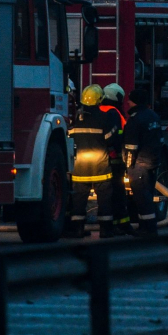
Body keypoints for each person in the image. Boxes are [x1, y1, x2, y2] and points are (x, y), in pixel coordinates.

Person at [69, 85, 120, 238]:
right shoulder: (104, 118)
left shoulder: (74, 119)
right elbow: (111, 139)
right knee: (104, 199)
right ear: (100, 101)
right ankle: (106, 230)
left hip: (79, 168)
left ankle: (77, 230)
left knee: (78, 200)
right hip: (100, 167)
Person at [123, 89, 164, 236]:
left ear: (134, 101)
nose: (127, 102)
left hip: (139, 164)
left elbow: (131, 147)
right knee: (147, 193)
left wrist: (128, 166)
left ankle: (149, 228)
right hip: (153, 162)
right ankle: (144, 226)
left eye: (130, 100)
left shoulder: (135, 119)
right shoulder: (153, 116)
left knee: (141, 197)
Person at [100, 83, 134, 236]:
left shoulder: (98, 110)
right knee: (118, 193)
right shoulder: (114, 112)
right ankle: (122, 224)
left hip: (98, 159)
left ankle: (113, 224)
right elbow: (117, 135)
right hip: (114, 160)